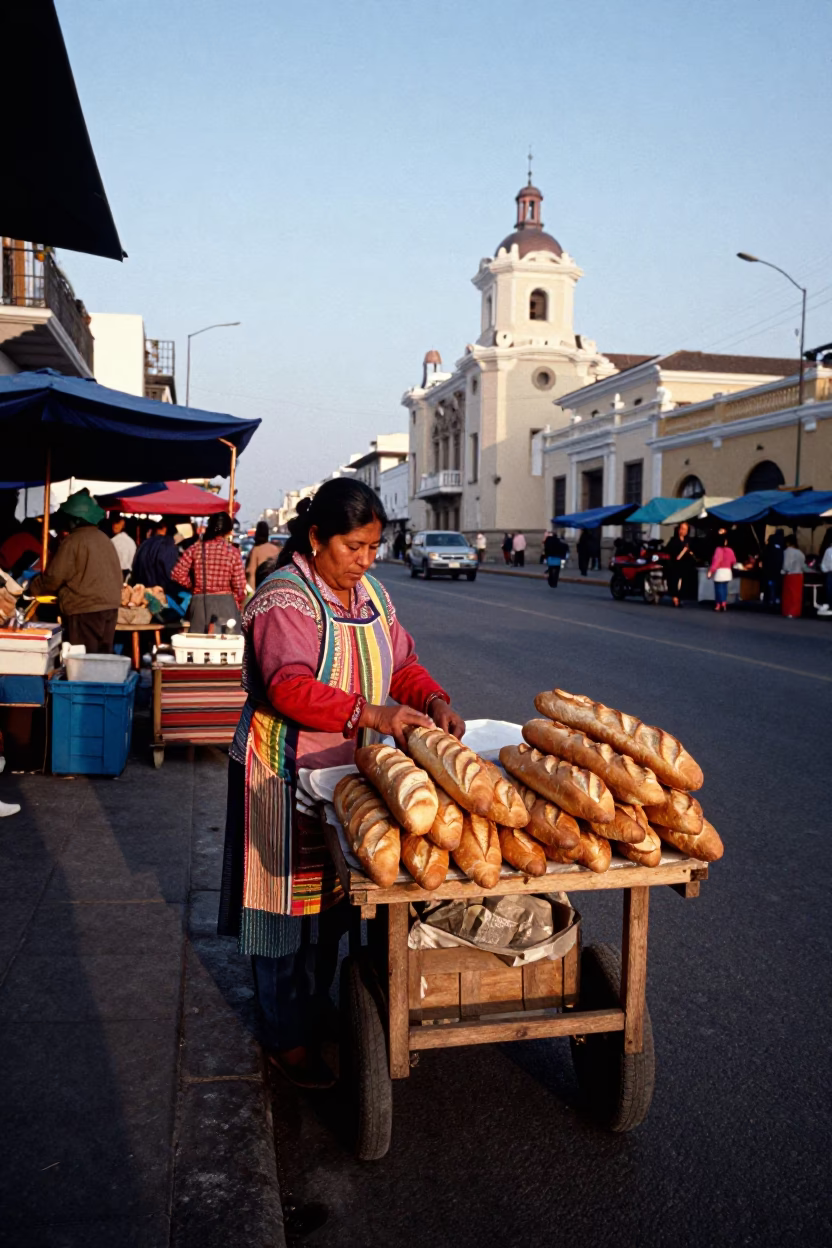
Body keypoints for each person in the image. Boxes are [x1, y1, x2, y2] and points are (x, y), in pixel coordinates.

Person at [218, 479, 464, 1088]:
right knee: (282, 908)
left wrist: (431, 697)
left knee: (332, 903)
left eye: (374, 547)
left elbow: (401, 662)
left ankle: (313, 1007)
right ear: (317, 537)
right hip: (278, 773)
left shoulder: (373, 595)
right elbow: (288, 685)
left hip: (346, 777)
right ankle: (284, 1036)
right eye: (354, 546)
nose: (366, 559)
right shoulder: (284, 599)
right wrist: (370, 714)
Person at [28, 489, 122, 652]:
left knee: (82, 661)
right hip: (109, 608)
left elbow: (53, 578)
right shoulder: (104, 539)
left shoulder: (73, 541)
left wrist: (31, 589)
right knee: (101, 658)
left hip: (84, 609)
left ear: (75, 520)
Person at [171, 511, 246, 632]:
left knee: (199, 645)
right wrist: (238, 600)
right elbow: (239, 586)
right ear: (228, 530)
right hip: (226, 604)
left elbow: (177, 574)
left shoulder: (195, 549)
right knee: (224, 646)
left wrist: (193, 586)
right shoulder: (233, 552)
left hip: (200, 601)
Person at [665, 521, 697, 607]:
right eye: (681, 528)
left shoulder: (688, 541)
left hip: (685, 565)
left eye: (685, 529)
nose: (683, 531)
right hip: (674, 565)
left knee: (684, 582)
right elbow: (669, 551)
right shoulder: (673, 540)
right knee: (674, 581)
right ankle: (675, 598)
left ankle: (681, 598)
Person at [706, 529, 737, 612]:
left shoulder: (718, 550)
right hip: (727, 572)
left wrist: (711, 571)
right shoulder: (730, 550)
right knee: (724, 588)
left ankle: (718, 605)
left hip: (719, 572)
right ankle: (724, 603)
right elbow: (734, 561)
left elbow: (716, 561)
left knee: (718, 588)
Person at [781, 535, 807, 619]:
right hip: (799, 575)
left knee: (789, 594)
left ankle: (789, 611)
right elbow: (803, 566)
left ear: (788, 543)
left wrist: (783, 571)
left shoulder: (787, 551)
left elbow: (786, 565)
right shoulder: (800, 553)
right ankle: (796, 612)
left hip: (790, 575)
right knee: (797, 595)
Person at [246, 521, 275, 588]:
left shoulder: (256, 550)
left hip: (260, 587)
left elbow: (251, 573)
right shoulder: (276, 549)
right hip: (274, 586)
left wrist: (252, 593)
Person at [109, 514, 137, 579]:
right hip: (128, 574)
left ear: (124, 525)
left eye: (118, 523)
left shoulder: (114, 541)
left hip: (118, 574)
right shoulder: (131, 542)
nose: (115, 526)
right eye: (114, 523)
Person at [761, 531, 785, 608]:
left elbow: (763, 558)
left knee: (769, 586)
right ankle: (774, 600)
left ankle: (769, 600)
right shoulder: (780, 549)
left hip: (768, 571)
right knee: (775, 586)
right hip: (777, 571)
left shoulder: (768, 548)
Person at [817, 530, 832, 615]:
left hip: (830, 573)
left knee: (829, 591)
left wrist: (824, 570)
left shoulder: (828, 550)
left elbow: (824, 564)